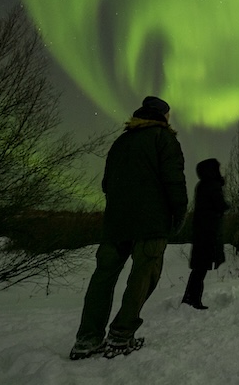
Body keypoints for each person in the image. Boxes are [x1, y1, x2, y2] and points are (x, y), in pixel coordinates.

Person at [69, 95, 188, 360]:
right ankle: (121, 335)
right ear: (162, 116)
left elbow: (106, 184)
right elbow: (174, 181)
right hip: (151, 223)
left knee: (103, 277)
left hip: (116, 223)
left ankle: (87, 339)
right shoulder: (164, 139)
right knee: (144, 276)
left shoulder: (121, 142)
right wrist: (179, 213)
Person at [181, 157, 230, 310]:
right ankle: (193, 300)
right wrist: (227, 205)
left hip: (202, 232)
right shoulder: (212, 185)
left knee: (199, 269)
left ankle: (191, 299)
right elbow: (220, 205)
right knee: (200, 269)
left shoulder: (202, 185)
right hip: (208, 233)